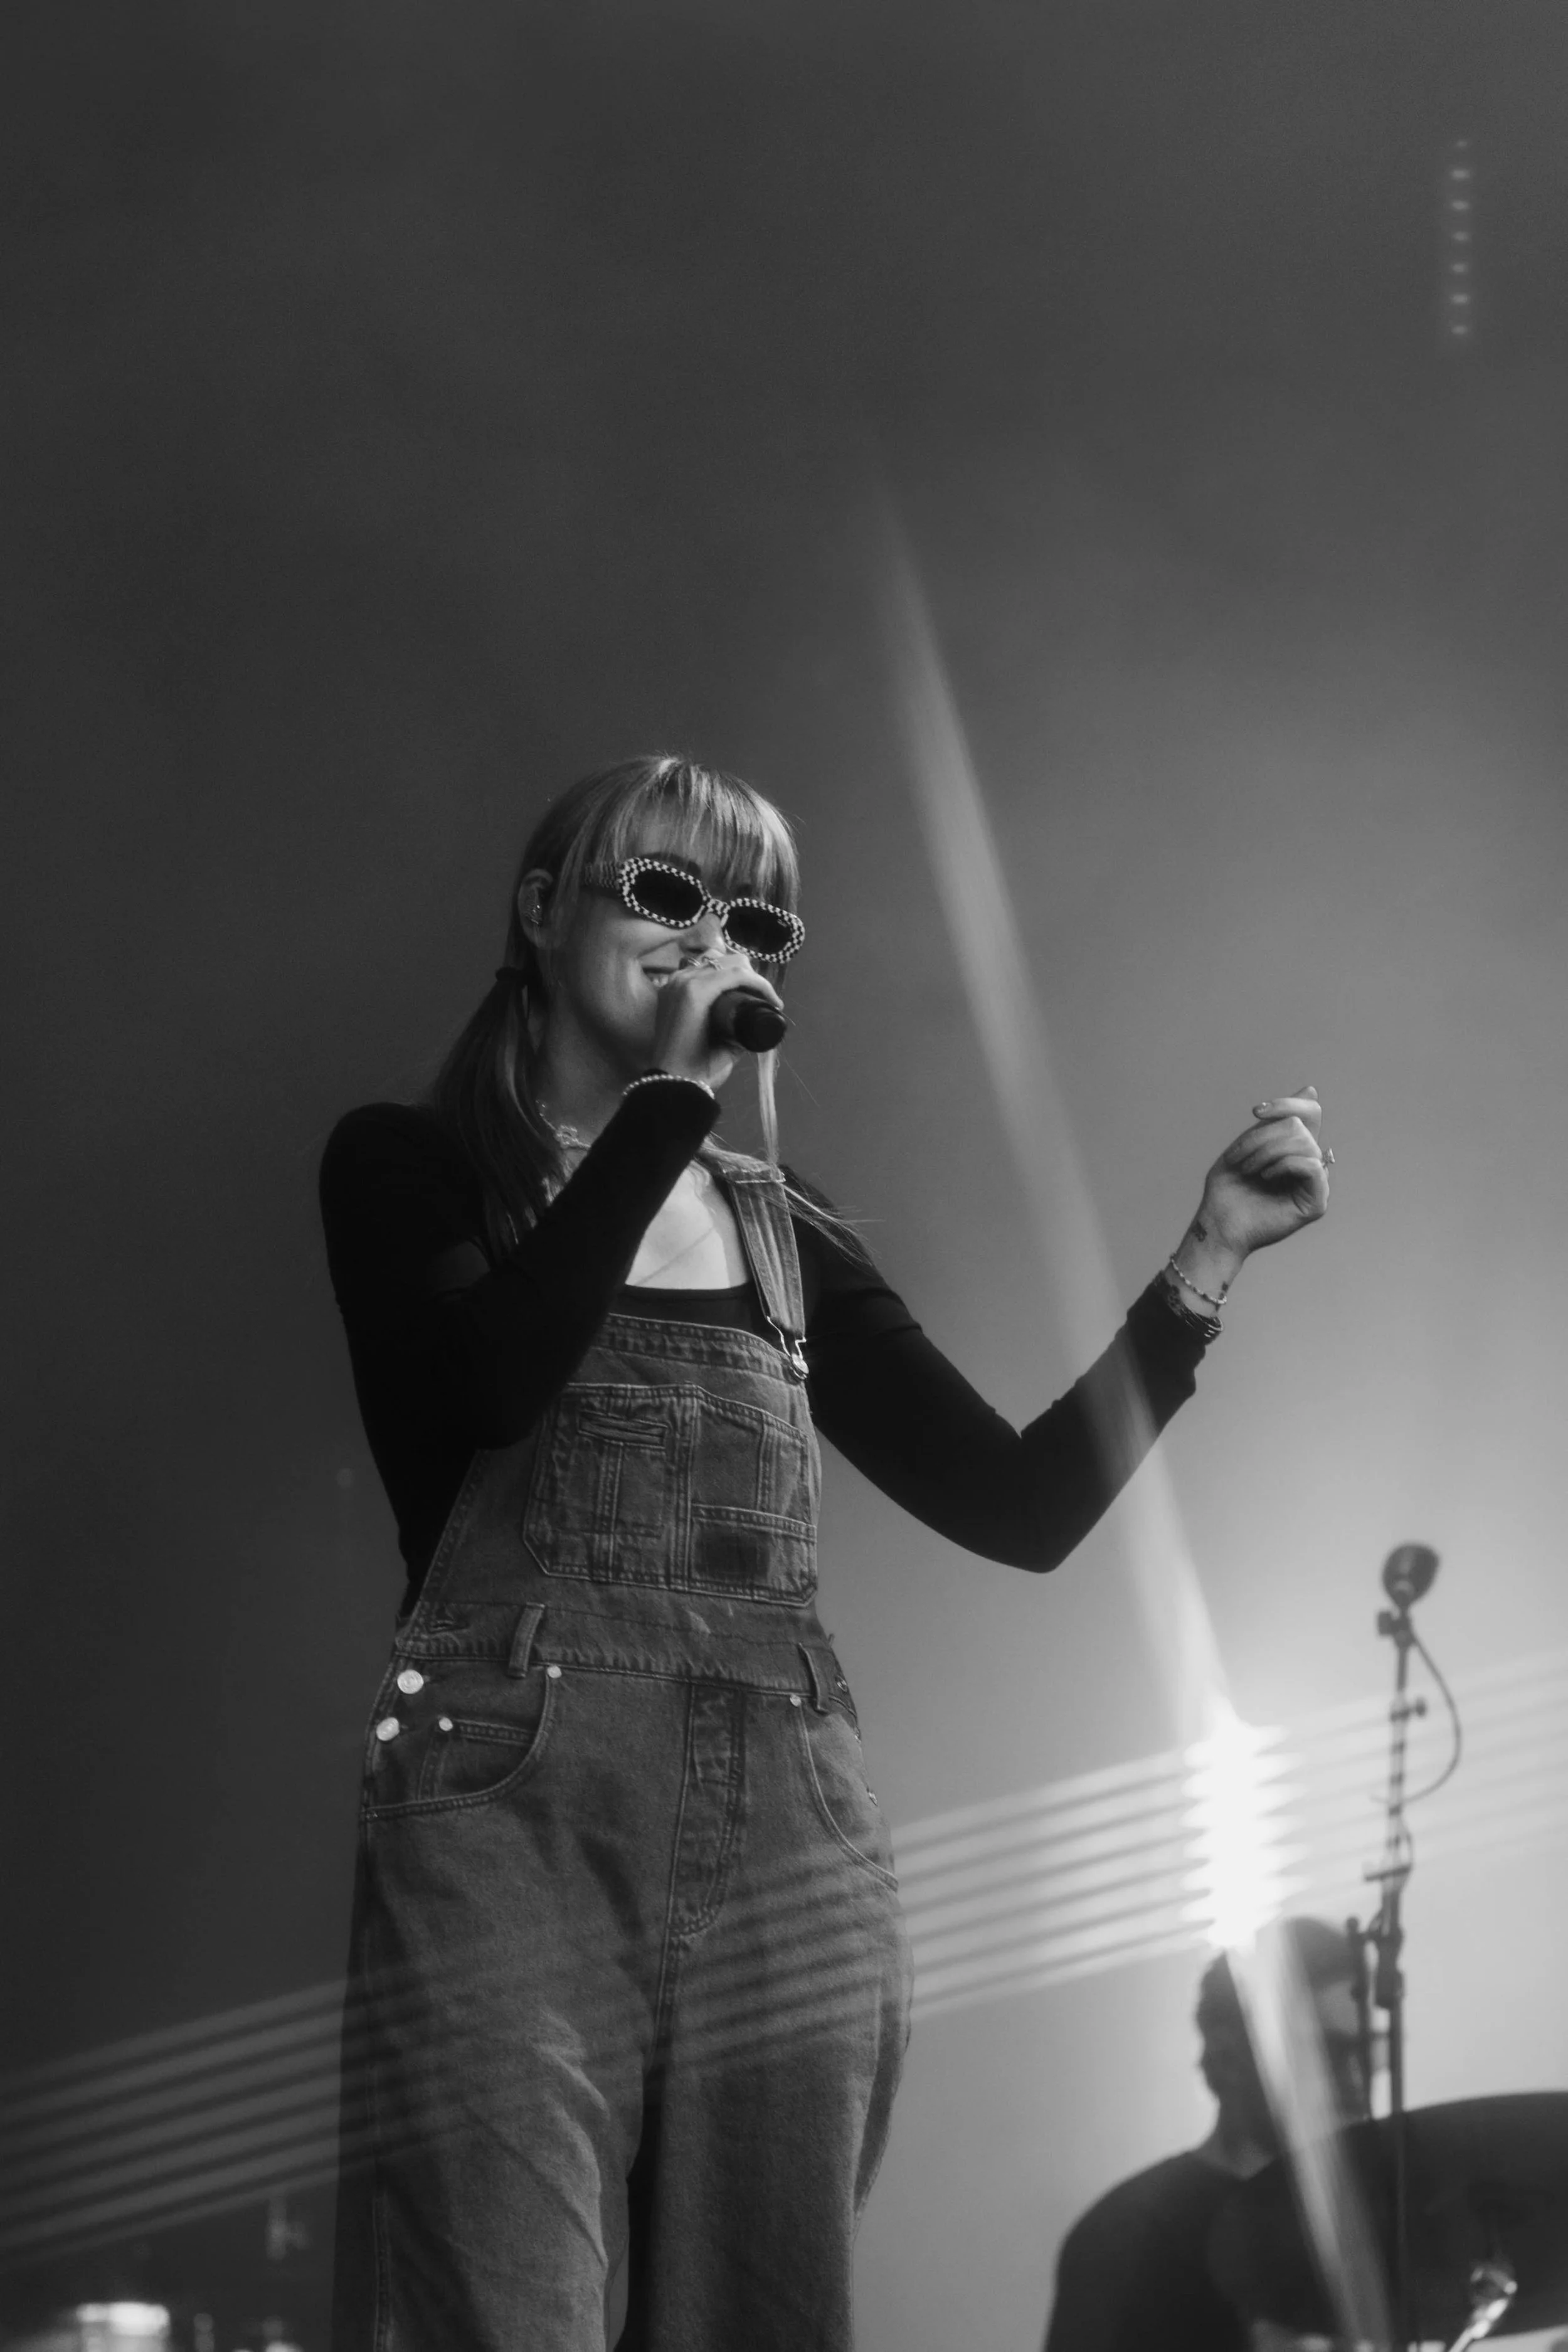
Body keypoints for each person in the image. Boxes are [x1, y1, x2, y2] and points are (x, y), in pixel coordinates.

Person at [319, 753, 1331, 2352]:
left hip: (790, 1830)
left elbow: (1019, 1507)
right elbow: (492, 1378)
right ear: (537, 912)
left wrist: (1202, 1264)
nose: (706, 939)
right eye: (661, 892)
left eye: (752, 920)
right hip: (512, 1810)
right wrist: (670, 1100)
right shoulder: (408, 1166)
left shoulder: (783, 1226)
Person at [1042, 1918, 1372, 2352]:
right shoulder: (1129, 2236)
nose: (1355, 2081)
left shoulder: (1366, 2221)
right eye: (1326, 2052)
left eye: (1365, 2051)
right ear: (1234, 2055)